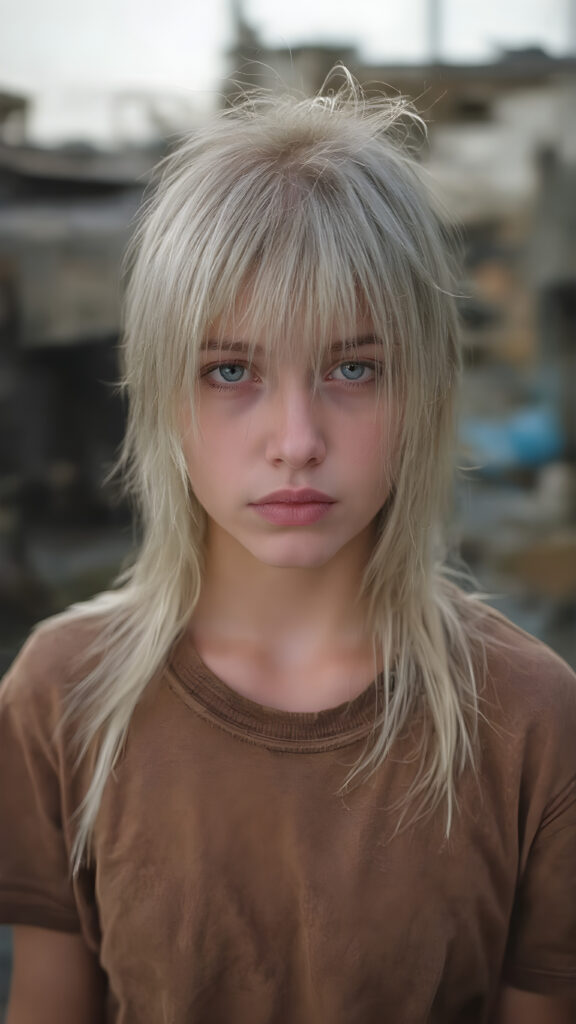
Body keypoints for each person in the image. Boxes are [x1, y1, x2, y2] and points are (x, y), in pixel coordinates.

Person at [1, 71, 575, 1024]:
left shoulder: (534, 725)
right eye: (232, 370)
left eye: (355, 366)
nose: (297, 437)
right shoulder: (62, 699)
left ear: (426, 391)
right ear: (159, 394)